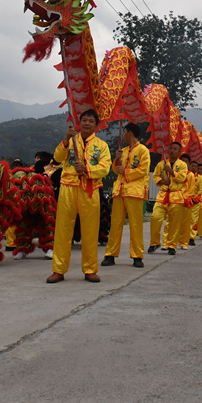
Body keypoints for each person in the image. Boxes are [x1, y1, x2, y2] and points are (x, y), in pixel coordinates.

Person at [47, 109, 111, 283]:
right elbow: (57, 158)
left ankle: (90, 269)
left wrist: (87, 169)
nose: (87, 123)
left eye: (91, 121)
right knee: (62, 231)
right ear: (79, 122)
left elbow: (105, 168)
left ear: (96, 125)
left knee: (90, 231)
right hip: (68, 187)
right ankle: (59, 270)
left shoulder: (101, 146)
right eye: (84, 120)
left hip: (89, 190)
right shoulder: (71, 141)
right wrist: (66, 140)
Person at [101, 123, 150, 268]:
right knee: (115, 223)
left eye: (124, 132)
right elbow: (116, 171)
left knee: (135, 225)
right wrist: (116, 160)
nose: (123, 135)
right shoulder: (123, 151)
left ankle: (137, 256)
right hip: (119, 191)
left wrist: (126, 172)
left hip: (134, 192)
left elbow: (143, 170)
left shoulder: (143, 151)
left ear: (130, 133)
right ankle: (110, 255)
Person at [148, 142, 187, 256]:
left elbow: (182, 178)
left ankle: (171, 245)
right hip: (162, 195)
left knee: (174, 223)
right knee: (155, 218)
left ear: (179, 152)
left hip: (176, 196)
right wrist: (161, 181)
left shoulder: (182, 165)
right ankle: (154, 243)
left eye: (175, 149)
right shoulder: (161, 164)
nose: (172, 150)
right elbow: (155, 176)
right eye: (170, 148)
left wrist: (170, 171)